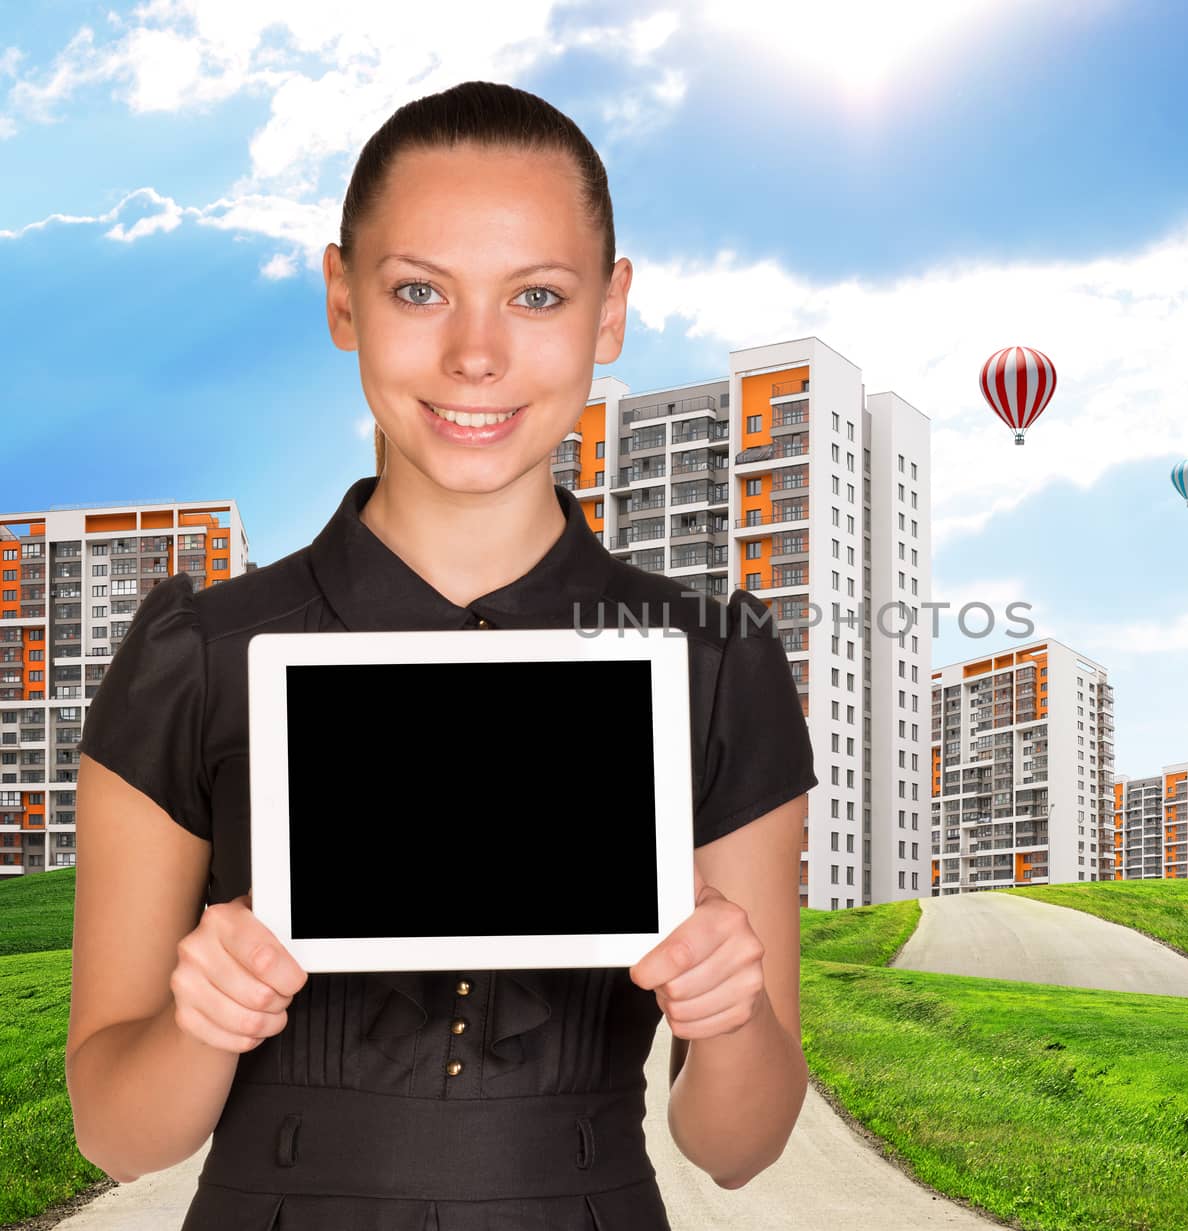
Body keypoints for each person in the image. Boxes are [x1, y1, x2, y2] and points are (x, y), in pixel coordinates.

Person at [65, 80, 818, 1230]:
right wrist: (201, 1020)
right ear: (342, 297)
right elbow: (118, 1135)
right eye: (419, 289)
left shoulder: (715, 658)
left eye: (537, 295)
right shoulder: (194, 653)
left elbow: (738, 1146)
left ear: (609, 312)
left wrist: (732, 1013)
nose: (476, 354)